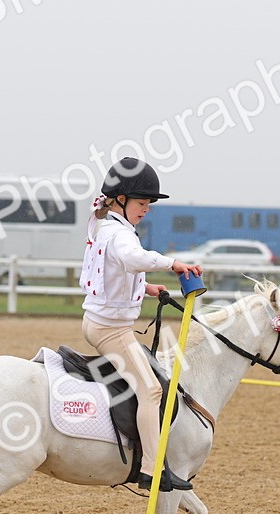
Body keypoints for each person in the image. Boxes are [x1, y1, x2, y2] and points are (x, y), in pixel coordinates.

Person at [80, 157, 203, 492]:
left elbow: (114, 271)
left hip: (102, 323)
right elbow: (133, 258)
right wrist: (173, 263)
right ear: (120, 199)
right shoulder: (119, 234)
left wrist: (145, 288)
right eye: (142, 202)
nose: (147, 209)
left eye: (149, 204)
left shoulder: (105, 226)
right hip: (111, 331)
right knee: (152, 390)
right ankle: (151, 470)